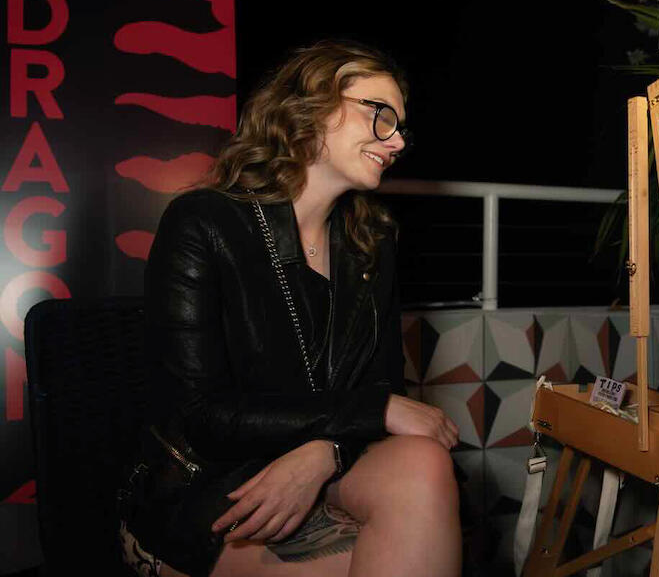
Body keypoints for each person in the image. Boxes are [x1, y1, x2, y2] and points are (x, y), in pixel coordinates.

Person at [117, 40, 462, 577]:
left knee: (424, 461)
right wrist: (372, 412)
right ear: (311, 106)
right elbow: (200, 416)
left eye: (400, 128)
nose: (396, 141)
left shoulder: (370, 243)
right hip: (207, 488)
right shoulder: (203, 222)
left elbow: (380, 386)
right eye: (380, 115)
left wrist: (324, 453)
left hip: (321, 460)